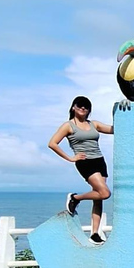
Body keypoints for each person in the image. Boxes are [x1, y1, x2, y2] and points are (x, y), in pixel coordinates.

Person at [48, 96, 114, 244]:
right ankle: (75, 198)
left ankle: (95, 233)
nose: (83, 108)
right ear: (73, 107)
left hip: (99, 161)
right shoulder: (68, 126)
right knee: (105, 193)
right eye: (80, 105)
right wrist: (71, 158)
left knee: (99, 197)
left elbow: (113, 129)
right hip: (85, 162)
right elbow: (52, 143)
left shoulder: (94, 124)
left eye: (86, 106)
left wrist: (125, 113)